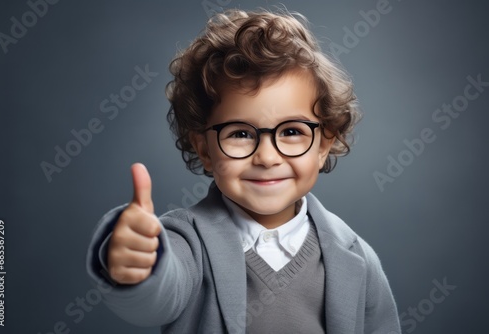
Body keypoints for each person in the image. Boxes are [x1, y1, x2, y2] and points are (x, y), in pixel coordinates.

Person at [86, 8, 401, 334]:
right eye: (240, 133)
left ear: (323, 145)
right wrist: (138, 265)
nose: (266, 157)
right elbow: (157, 298)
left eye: (291, 131)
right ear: (205, 150)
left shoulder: (356, 258)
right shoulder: (187, 243)